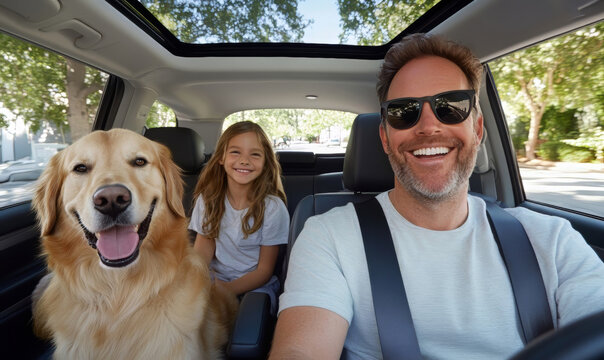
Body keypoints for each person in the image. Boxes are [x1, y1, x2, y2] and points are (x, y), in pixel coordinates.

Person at [269, 33, 604, 359]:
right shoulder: (329, 236)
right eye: (404, 111)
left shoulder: (552, 241)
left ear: (478, 129)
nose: (428, 126)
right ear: (385, 138)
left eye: (451, 106)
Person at [189, 121, 289, 314]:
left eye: (255, 154)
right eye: (235, 152)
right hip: (215, 279)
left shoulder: (273, 207)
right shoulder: (208, 199)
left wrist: (227, 290)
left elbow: (264, 271)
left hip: (257, 286)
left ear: (266, 161)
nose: (244, 160)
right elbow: (202, 254)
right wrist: (196, 283)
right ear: (220, 158)